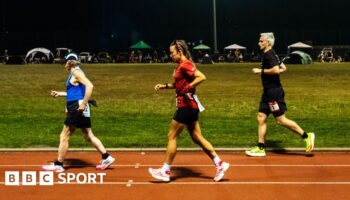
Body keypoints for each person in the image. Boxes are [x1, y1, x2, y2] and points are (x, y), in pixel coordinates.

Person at [148, 40, 229, 182]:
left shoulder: (186, 64)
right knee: (197, 137)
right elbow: (179, 84)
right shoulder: (181, 65)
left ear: (180, 52)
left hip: (186, 105)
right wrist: (165, 86)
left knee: (171, 136)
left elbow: (202, 77)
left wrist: (189, 87)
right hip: (190, 105)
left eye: (172, 52)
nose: (170, 55)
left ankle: (165, 171)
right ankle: (220, 164)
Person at [42, 53, 115, 172]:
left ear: (70, 62)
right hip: (79, 105)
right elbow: (77, 91)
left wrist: (83, 104)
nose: (64, 64)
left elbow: (90, 86)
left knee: (64, 135)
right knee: (88, 135)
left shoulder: (76, 72)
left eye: (65, 61)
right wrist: (60, 94)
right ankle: (107, 157)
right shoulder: (76, 72)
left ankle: (59, 164)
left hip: (77, 107)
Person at [246, 32, 315, 157]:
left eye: (261, 41)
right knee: (261, 117)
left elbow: (277, 70)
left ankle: (306, 136)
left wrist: (260, 70)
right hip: (267, 92)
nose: (259, 43)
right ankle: (260, 148)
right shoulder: (272, 53)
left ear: (268, 42)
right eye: (259, 40)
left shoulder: (269, 54)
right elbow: (283, 68)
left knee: (281, 120)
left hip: (273, 93)